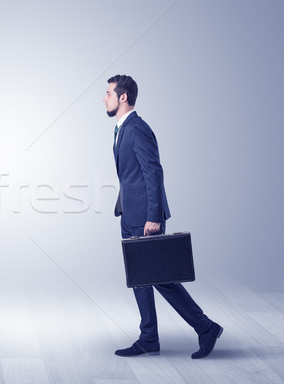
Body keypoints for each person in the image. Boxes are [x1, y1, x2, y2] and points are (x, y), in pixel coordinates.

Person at [103, 74, 223, 359]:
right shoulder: (121, 129)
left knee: (161, 278)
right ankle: (149, 339)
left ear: (123, 97)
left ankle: (206, 328)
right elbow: (131, 175)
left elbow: (153, 172)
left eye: (108, 93)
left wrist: (154, 215)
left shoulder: (138, 128)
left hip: (146, 217)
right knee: (140, 279)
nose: (104, 99)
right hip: (130, 213)